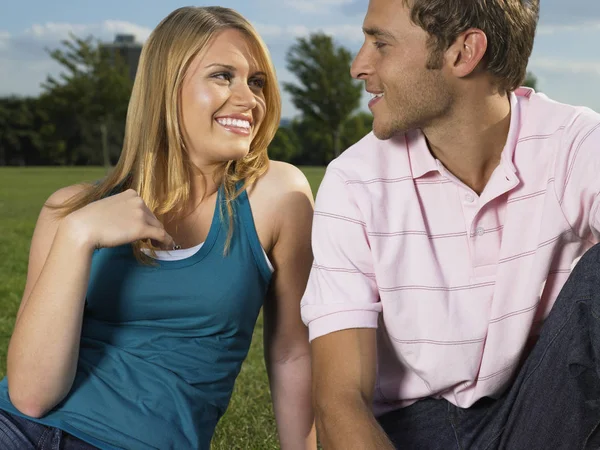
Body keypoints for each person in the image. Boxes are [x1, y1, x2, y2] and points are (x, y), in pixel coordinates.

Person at [0, 6, 316, 450]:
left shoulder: (277, 195)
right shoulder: (69, 212)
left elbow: (291, 353)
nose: (249, 100)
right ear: (166, 90)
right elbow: (32, 396)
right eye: (223, 75)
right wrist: (77, 236)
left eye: (256, 81)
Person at [301, 0, 600, 448]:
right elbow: (340, 399)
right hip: (414, 430)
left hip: (538, 405)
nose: (358, 66)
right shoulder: (353, 182)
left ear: (463, 52)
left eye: (381, 43)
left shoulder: (574, 142)